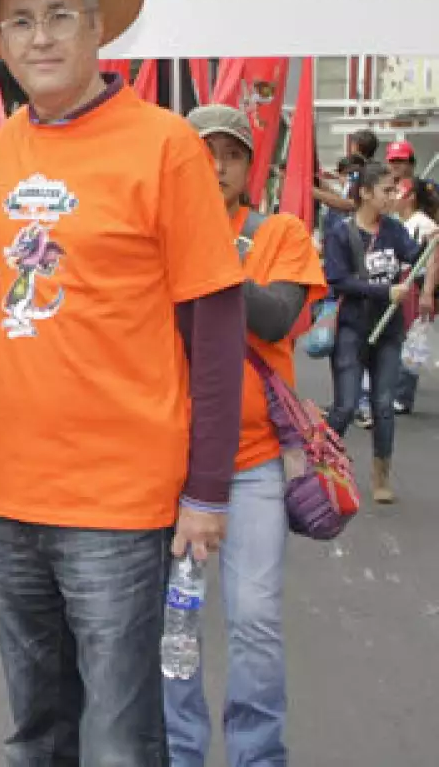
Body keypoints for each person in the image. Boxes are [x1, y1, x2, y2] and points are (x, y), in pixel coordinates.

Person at [0, 0, 244, 764]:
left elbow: (216, 328)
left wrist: (208, 492)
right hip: (14, 497)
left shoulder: (166, 145)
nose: (39, 37)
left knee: (119, 740)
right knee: (36, 734)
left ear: (98, 26)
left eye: (58, 15)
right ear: (0, 42)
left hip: (121, 502)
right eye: (20, 21)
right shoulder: (7, 146)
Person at [164, 105, 325, 767]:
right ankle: (180, 752)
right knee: (177, 627)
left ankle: (259, 756)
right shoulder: (159, 232)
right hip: (172, 465)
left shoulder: (279, 232)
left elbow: (279, 316)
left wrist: (210, 256)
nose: (218, 165)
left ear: (248, 165)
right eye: (205, 152)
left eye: (231, 154)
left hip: (255, 464)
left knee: (253, 622)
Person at [324, 160, 421, 504]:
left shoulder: (394, 230)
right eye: (386, 190)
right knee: (346, 406)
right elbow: (337, 280)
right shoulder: (340, 231)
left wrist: (429, 247)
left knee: (382, 405)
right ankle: (321, 467)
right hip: (352, 329)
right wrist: (385, 292)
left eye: (395, 190)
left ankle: (381, 474)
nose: (393, 196)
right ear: (365, 192)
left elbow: (414, 257)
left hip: (389, 333)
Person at [396, 178, 439, 413]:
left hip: (415, 282)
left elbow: (433, 260)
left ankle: (403, 395)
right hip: (400, 280)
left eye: (398, 191)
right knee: (399, 335)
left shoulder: (424, 224)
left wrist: (427, 292)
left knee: (413, 337)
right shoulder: (397, 221)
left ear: (411, 196)